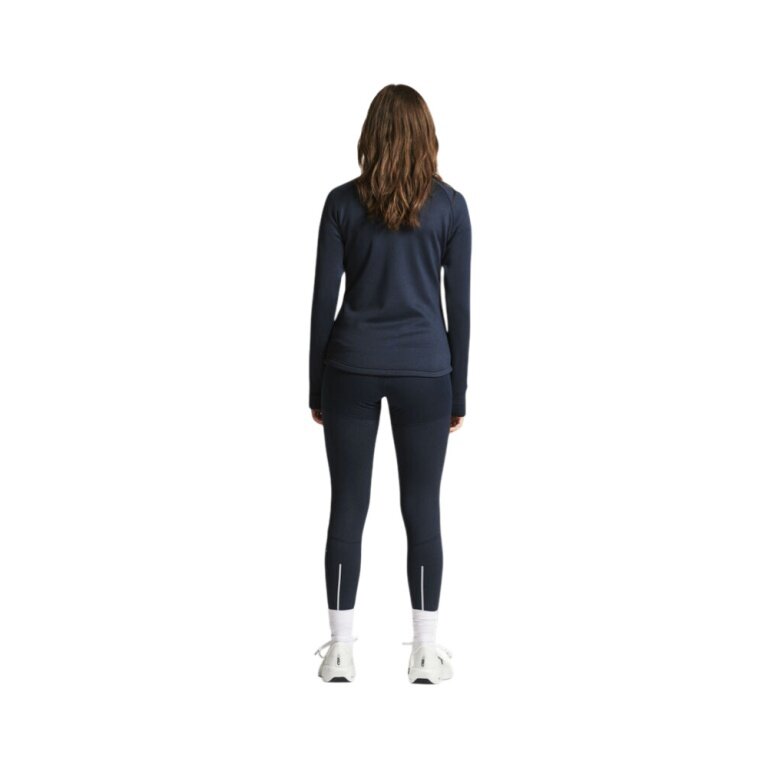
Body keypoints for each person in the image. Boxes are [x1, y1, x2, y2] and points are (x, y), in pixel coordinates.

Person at [309, 84, 471, 684]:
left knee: (347, 506)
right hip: (427, 372)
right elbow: (461, 308)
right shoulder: (451, 207)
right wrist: (458, 391)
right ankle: (425, 652)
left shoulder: (340, 204)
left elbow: (322, 304)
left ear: (369, 136)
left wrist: (316, 389)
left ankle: (340, 651)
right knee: (422, 508)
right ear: (427, 136)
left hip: (349, 367)